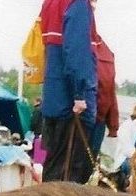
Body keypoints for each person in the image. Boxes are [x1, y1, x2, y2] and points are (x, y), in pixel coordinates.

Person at [40, 0, 97, 183]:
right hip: (70, 103)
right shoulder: (78, 4)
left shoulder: (50, 3)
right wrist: (79, 94)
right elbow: (76, 51)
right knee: (69, 176)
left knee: (53, 167)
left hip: (53, 99)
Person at [89, 0, 119, 159]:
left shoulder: (106, 51)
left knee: (88, 164)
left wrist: (113, 126)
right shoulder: (75, 43)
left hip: (98, 121)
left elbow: (110, 90)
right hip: (74, 117)